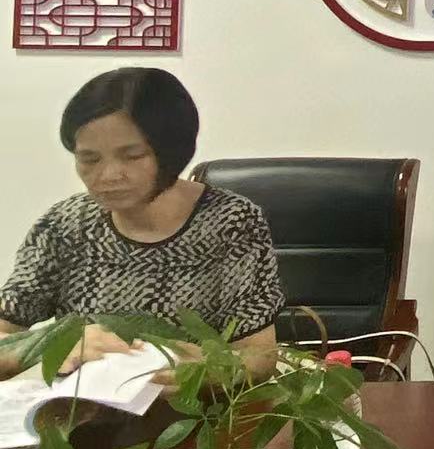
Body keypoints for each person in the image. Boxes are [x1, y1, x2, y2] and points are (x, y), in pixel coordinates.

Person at [0, 69, 284, 380]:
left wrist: (178, 365)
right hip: (80, 406)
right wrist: (52, 347)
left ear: (171, 153)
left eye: (133, 156)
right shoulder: (64, 226)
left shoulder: (232, 222)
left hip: (191, 405)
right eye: (90, 159)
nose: (109, 175)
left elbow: (258, 360)